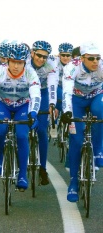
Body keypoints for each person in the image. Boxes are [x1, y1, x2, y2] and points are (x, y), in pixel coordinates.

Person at [0, 44, 41, 190]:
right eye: (13, 61)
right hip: (3, 105)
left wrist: (33, 113)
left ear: (25, 63)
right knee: (1, 131)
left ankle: (22, 174)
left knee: (21, 136)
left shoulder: (31, 73)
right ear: (8, 61)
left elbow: (35, 95)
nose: (16, 66)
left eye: (20, 63)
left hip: (22, 106)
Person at [61, 41, 103, 202]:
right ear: (83, 58)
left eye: (97, 58)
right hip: (76, 100)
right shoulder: (72, 67)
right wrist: (67, 111)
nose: (95, 62)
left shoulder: (101, 66)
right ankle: (73, 183)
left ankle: (99, 149)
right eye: (91, 58)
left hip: (96, 97)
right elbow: (66, 92)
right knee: (77, 140)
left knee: (100, 111)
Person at [29, 40, 59, 185]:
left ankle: (43, 168)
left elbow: (52, 86)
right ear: (32, 53)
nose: (41, 59)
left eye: (44, 57)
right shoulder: (25, 63)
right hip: (26, 93)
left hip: (43, 93)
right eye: (39, 55)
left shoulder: (50, 65)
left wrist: (52, 104)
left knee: (42, 131)